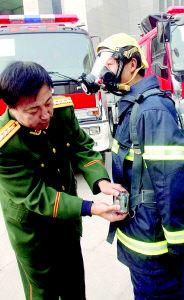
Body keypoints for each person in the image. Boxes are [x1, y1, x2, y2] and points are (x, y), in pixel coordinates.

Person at [82, 33, 184, 299]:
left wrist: (178, 243)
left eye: (109, 64)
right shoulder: (132, 104)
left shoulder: (151, 110)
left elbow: (172, 181)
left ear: (132, 64)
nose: (103, 73)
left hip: (155, 246)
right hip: (141, 238)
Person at [0, 61, 127, 300]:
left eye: (48, 102)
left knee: (74, 284)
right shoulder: (5, 146)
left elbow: (81, 147)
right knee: (42, 291)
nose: (46, 113)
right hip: (32, 229)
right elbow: (36, 196)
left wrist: (101, 181)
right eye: (33, 110)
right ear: (12, 108)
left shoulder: (62, 111)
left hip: (66, 221)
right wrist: (91, 208)